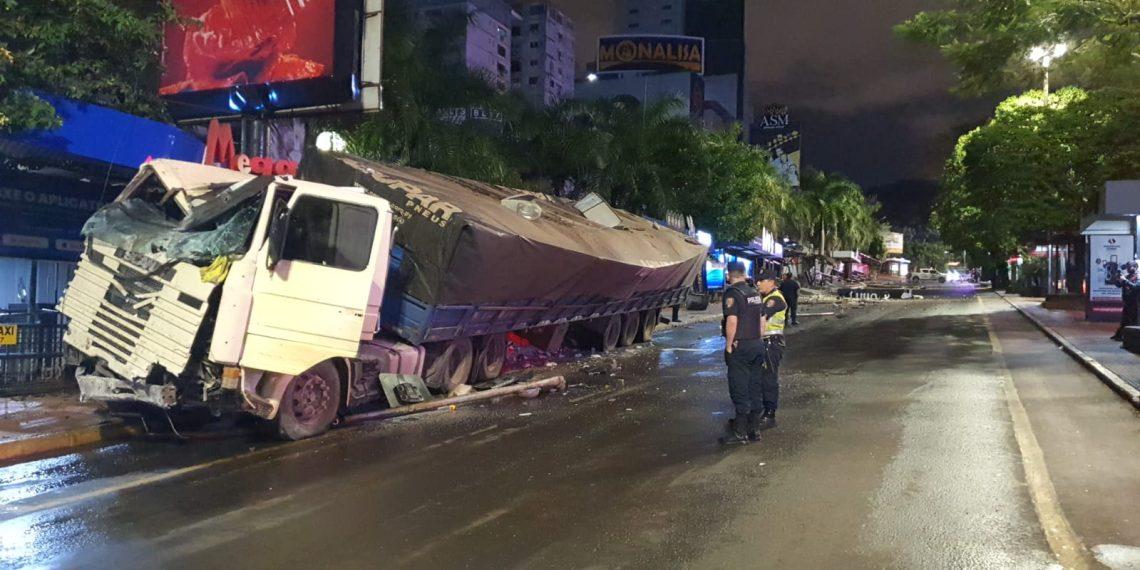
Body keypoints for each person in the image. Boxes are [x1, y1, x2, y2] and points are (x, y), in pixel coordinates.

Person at [719, 261, 767, 444]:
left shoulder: (733, 293)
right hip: (757, 344)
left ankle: (739, 433)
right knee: (755, 387)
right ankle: (754, 430)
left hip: (742, 347)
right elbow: (762, 321)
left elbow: (732, 321)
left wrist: (729, 345)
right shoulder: (754, 293)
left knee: (739, 388)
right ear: (744, 273)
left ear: (730, 274)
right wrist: (758, 338)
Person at [755, 268, 788, 431]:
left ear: (771, 282)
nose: (758, 283)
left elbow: (762, 316)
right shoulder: (766, 297)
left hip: (771, 344)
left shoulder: (774, 299)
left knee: (768, 379)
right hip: (765, 343)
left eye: (762, 280)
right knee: (761, 379)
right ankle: (762, 409)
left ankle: (769, 414)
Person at [1112, 264, 1139, 341]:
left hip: (1135, 302)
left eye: (1131, 267)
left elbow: (1135, 287)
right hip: (1127, 301)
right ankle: (1119, 335)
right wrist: (1117, 277)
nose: (1129, 268)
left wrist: (1125, 280)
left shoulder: (1138, 277)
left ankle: (1131, 338)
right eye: (1128, 267)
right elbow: (1118, 285)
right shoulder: (1127, 277)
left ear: (1136, 268)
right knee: (1124, 319)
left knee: (1133, 320)